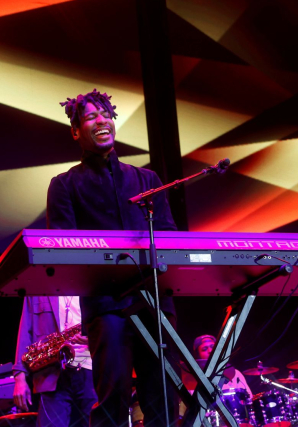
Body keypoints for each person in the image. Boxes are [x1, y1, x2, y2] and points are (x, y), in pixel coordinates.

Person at [47, 90, 179, 427]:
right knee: (113, 396)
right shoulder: (64, 185)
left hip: (154, 302)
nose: (101, 120)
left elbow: (170, 240)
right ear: (76, 131)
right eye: (90, 117)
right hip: (106, 306)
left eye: (105, 114)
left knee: (163, 394)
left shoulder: (147, 181)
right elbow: (63, 251)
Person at [12, 296, 97, 427]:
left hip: (91, 369)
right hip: (52, 373)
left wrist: (94, 337)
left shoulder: (89, 281)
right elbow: (25, 330)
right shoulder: (38, 288)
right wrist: (19, 377)